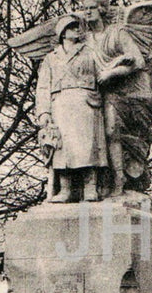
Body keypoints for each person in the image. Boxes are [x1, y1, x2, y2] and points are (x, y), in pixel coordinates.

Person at [82, 0, 152, 196]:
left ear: (102, 10)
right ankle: (110, 180)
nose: (86, 12)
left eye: (91, 8)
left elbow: (138, 61)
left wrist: (112, 72)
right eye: (85, 9)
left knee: (118, 133)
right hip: (103, 92)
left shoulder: (117, 33)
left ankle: (123, 179)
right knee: (103, 134)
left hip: (129, 93)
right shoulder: (86, 40)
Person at [36, 14, 108, 202]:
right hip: (60, 104)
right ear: (63, 33)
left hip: (85, 102)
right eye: (72, 27)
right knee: (62, 149)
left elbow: (105, 73)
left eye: (78, 27)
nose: (77, 30)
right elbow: (43, 86)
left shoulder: (90, 51)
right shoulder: (51, 58)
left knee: (87, 145)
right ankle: (65, 190)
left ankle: (90, 187)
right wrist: (43, 112)